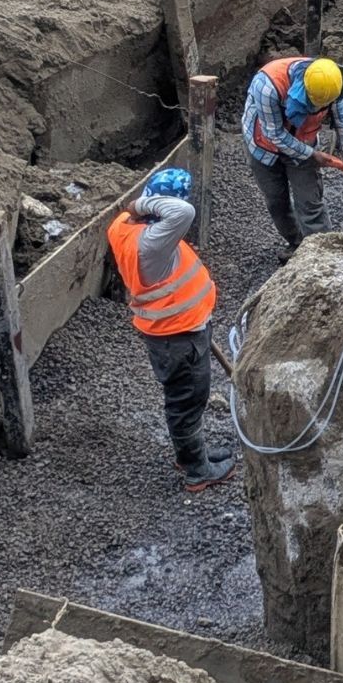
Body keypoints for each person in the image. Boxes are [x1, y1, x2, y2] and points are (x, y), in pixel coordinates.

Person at [107, 168, 235, 492]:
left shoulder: (123, 226)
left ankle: (191, 454)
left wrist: (139, 206)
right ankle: (198, 471)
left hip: (176, 331)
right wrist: (144, 203)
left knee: (187, 399)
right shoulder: (152, 243)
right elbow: (184, 211)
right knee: (187, 401)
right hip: (178, 336)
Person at [241, 55, 343, 252]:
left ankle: (323, 254)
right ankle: (297, 244)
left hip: (303, 143)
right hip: (263, 147)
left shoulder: (333, 84)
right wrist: (311, 155)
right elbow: (274, 133)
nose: (316, 110)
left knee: (310, 204)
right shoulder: (268, 85)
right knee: (276, 201)